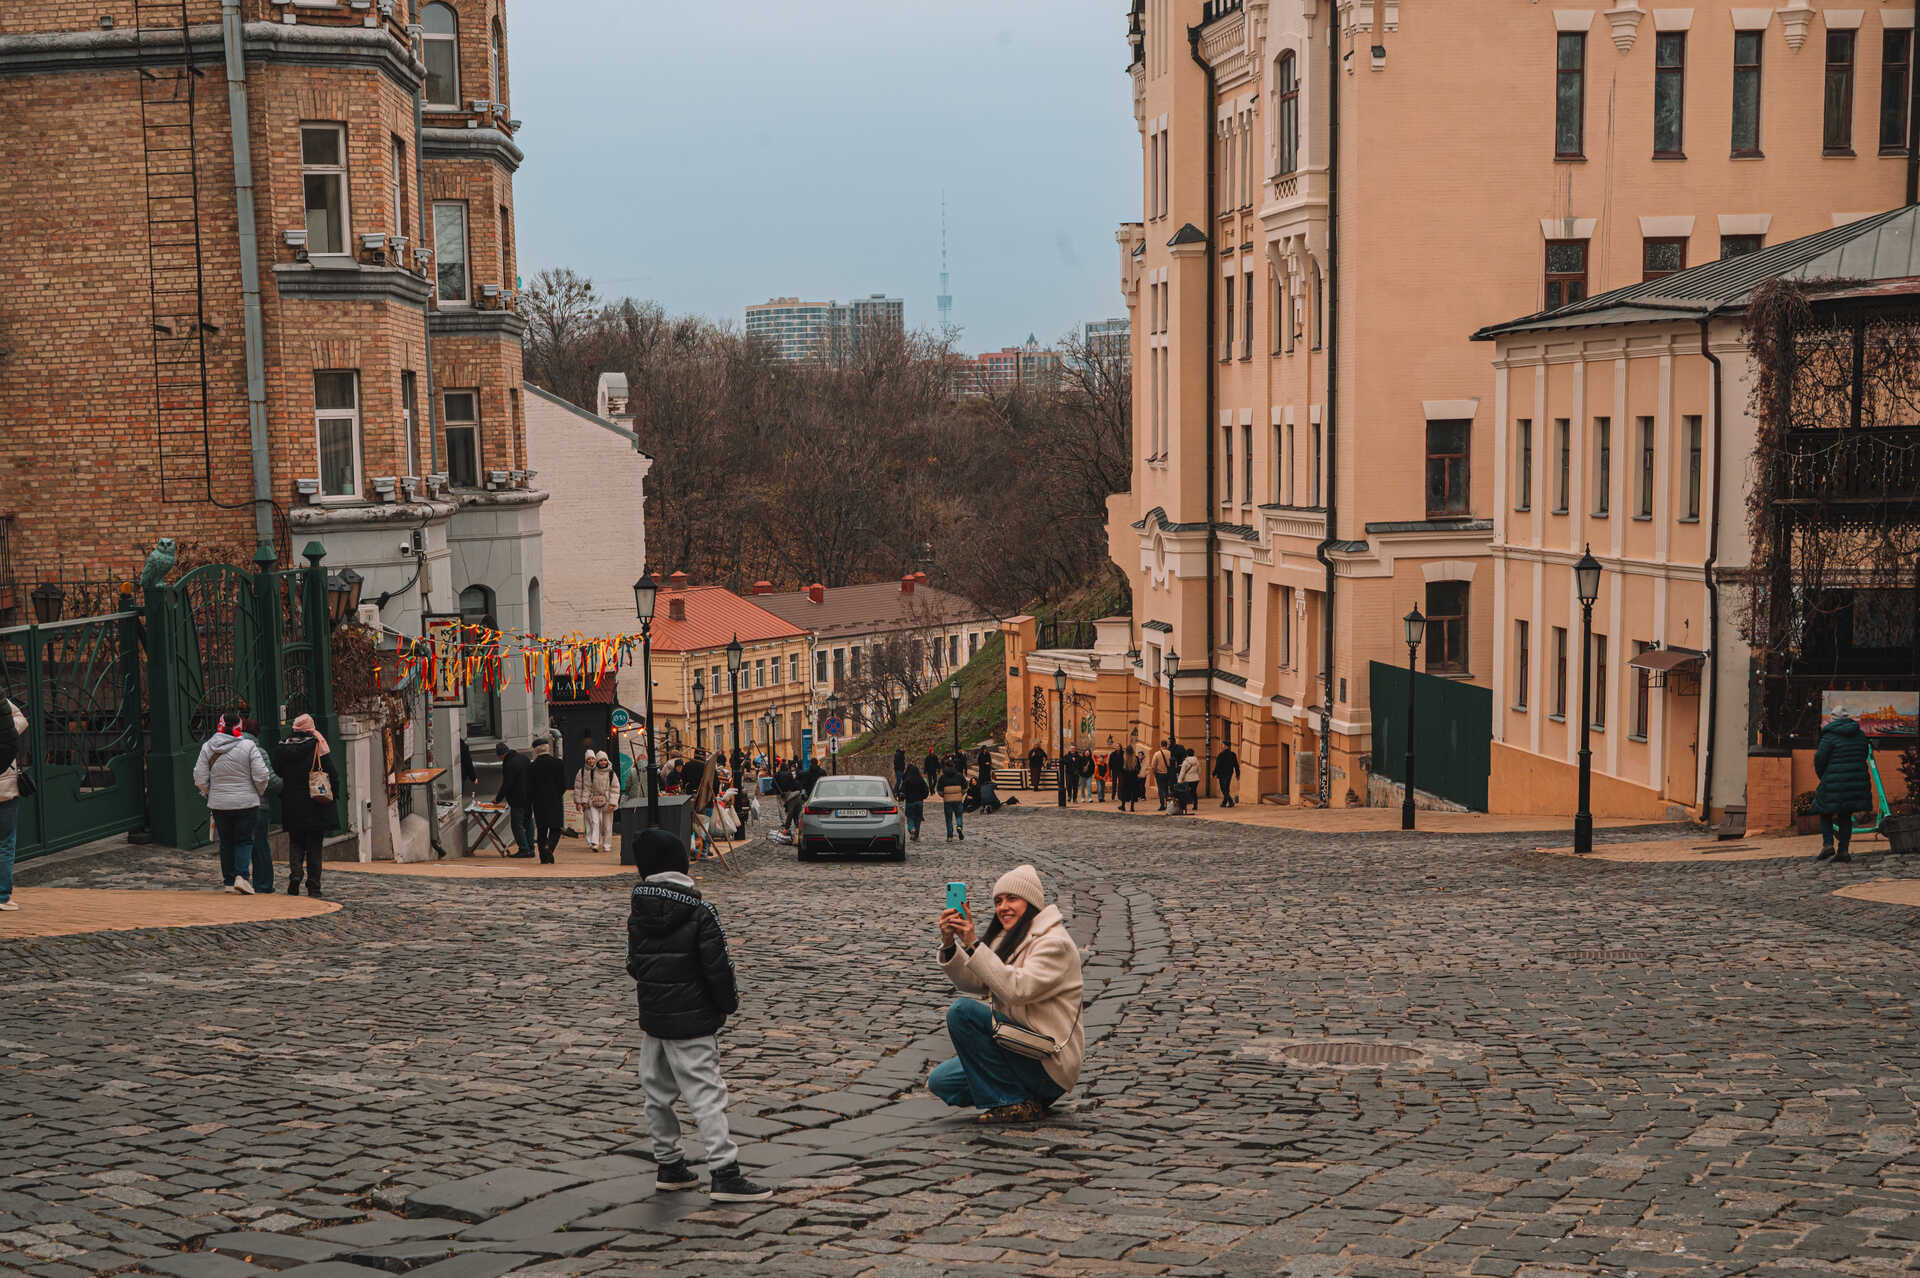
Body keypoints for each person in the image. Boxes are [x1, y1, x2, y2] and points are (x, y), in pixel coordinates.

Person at [625, 828, 773, 1202]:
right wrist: (726, 1005)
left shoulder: (637, 911)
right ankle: (724, 1171)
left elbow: (632, 964)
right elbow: (719, 966)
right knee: (707, 1094)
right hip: (692, 1019)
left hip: (654, 1017)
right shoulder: (700, 910)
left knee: (656, 1093)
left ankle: (669, 1164)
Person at [932, 864, 1085, 1123]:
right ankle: (1023, 1097)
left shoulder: (1054, 943)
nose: (1003, 907)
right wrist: (950, 944)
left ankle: (1010, 1100)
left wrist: (973, 943)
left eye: (1012, 899)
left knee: (963, 1012)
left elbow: (1016, 990)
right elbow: (977, 982)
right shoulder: (1010, 938)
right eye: (998, 901)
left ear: (1031, 902)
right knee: (942, 1081)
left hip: (1047, 1058)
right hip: (1014, 1045)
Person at [193, 711, 270, 893]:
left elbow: (199, 777)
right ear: (239, 727)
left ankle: (228, 881)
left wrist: (209, 793)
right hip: (247, 802)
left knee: (226, 841)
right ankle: (242, 877)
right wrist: (257, 792)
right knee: (244, 840)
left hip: (219, 803)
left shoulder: (207, 747)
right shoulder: (248, 746)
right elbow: (262, 775)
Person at [273, 714, 338, 898]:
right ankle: (314, 885)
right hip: (315, 801)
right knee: (314, 846)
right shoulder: (318, 746)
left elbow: (277, 770)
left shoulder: (283, 747)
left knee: (296, 841)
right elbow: (331, 772)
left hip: (292, 803)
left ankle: (295, 875)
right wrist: (336, 795)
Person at [1814, 711, 1872, 864]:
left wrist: (1824, 776)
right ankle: (1843, 850)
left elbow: (1819, 759)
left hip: (1833, 779)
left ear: (1833, 720)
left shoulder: (1829, 736)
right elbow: (1863, 754)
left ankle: (1827, 844)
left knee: (1824, 810)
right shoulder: (1860, 735)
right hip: (1855, 779)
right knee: (1845, 814)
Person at [0, 694, 27, 911]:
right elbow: (21, 720)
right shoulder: (2, 701)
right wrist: (7, 733)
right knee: (5, 843)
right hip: (5, 787)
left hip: (5, 786)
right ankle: (2, 896)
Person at [574, 749, 619, 854]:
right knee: (595, 821)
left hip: (607, 801)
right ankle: (595, 843)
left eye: (605, 760)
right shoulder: (592, 773)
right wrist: (583, 801)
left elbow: (615, 789)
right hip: (593, 800)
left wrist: (613, 802)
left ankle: (607, 845)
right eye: (601, 760)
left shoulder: (611, 773)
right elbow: (587, 788)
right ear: (597, 762)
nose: (603, 762)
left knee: (607, 825)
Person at [496, 741, 535, 858]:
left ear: (501, 755)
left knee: (517, 824)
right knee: (528, 822)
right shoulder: (524, 758)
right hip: (529, 796)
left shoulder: (509, 764)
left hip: (517, 798)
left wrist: (498, 798)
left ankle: (524, 848)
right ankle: (531, 847)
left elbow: (507, 784)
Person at [938, 759, 968, 841]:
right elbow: (965, 786)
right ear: (954, 765)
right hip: (958, 800)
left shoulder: (943, 777)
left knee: (948, 819)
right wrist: (961, 794)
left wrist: (944, 796)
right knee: (959, 815)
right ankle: (959, 826)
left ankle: (950, 836)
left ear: (946, 766)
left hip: (947, 801)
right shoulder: (959, 775)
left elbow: (939, 790)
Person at [900, 763, 929, 842]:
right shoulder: (921, 780)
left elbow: (902, 792)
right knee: (918, 819)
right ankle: (916, 835)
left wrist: (903, 798)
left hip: (910, 802)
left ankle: (912, 829)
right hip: (919, 802)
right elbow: (926, 790)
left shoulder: (907, 780)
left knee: (910, 817)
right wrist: (923, 797)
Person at [1173, 748, 1202, 816]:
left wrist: (1179, 781)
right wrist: (1197, 775)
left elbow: (1182, 772)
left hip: (1188, 779)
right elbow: (1199, 770)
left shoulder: (1185, 762)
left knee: (1186, 793)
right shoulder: (1197, 761)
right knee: (1194, 792)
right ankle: (1195, 805)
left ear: (1187, 754)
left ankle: (1186, 805)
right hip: (1195, 779)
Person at [1213, 741, 1241, 808]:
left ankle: (1230, 802)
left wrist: (1214, 773)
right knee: (1227, 788)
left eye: (1222, 745)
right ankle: (1224, 802)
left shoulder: (1221, 755)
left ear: (1226, 746)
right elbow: (1236, 765)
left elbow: (1217, 765)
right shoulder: (1233, 754)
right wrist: (1237, 774)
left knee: (1223, 789)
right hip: (1229, 773)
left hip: (1222, 774)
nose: (1222, 746)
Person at [1149, 740, 1171, 812]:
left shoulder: (1157, 754)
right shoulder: (1170, 753)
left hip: (1160, 774)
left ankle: (1162, 804)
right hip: (1168, 774)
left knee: (1160, 789)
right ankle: (1168, 804)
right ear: (1166, 745)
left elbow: (1153, 765)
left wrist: (1154, 772)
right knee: (1166, 789)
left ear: (1161, 745)